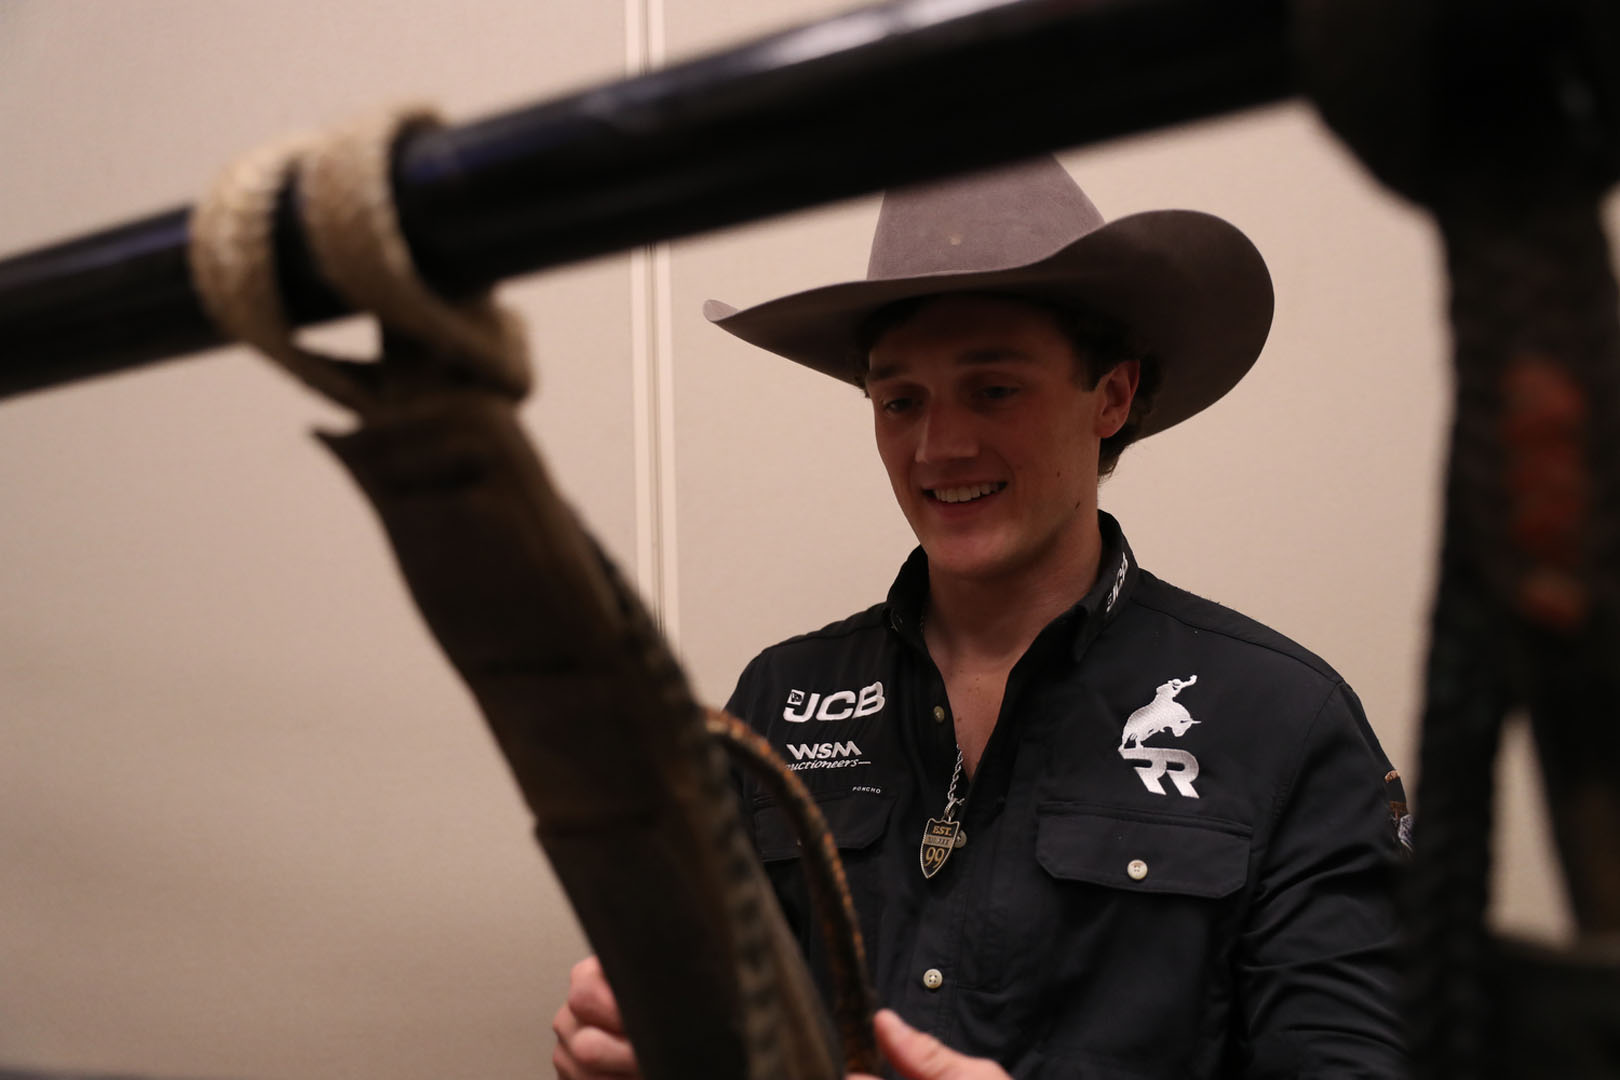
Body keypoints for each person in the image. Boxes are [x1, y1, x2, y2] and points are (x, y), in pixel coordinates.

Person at [553, 156, 1407, 1079]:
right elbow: (706, 1014)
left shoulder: (1280, 720)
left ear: (1111, 397)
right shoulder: (780, 697)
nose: (939, 446)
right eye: (900, 401)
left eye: (994, 389)